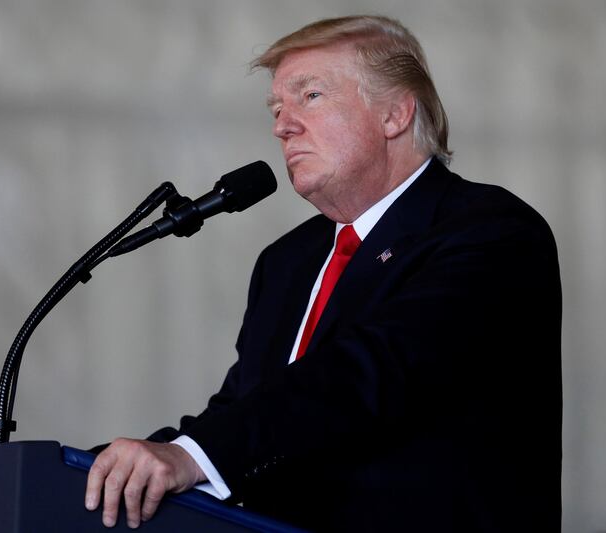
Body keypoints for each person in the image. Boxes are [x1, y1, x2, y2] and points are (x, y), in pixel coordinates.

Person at [85, 15, 562, 532]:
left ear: (395, 114)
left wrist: (195, 454)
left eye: (309, 96)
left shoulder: (491, 231)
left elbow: (372, 370)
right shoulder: (287, 260)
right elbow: (246, 409)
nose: (281, 125)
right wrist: (123, 467)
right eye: (276, 108)